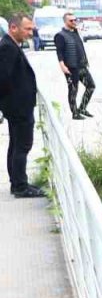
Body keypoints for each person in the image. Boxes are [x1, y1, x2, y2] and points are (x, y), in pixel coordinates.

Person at [0, 15, 44, 198]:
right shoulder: (7, 48)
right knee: (22, 146)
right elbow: (3, 80)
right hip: (18, 108)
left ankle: (17, 182)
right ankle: (20, 186)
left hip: (17, 107)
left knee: (16, 145)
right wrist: (10, 104)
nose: (30, 32)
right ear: (13, 28)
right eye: (26, 29)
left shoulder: (10, 45)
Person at [55, 12, 95, 120]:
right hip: (71, 67)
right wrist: (62, 66)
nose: (74, 22)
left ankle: (82, 108)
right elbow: (59, 52)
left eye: (75, 20)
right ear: (65, 21)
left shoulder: (76, 32)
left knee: (91, 86)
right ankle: (75, 113)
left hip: (82, 66)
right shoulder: (60, 35)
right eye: (71, 21)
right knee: (73, 89)